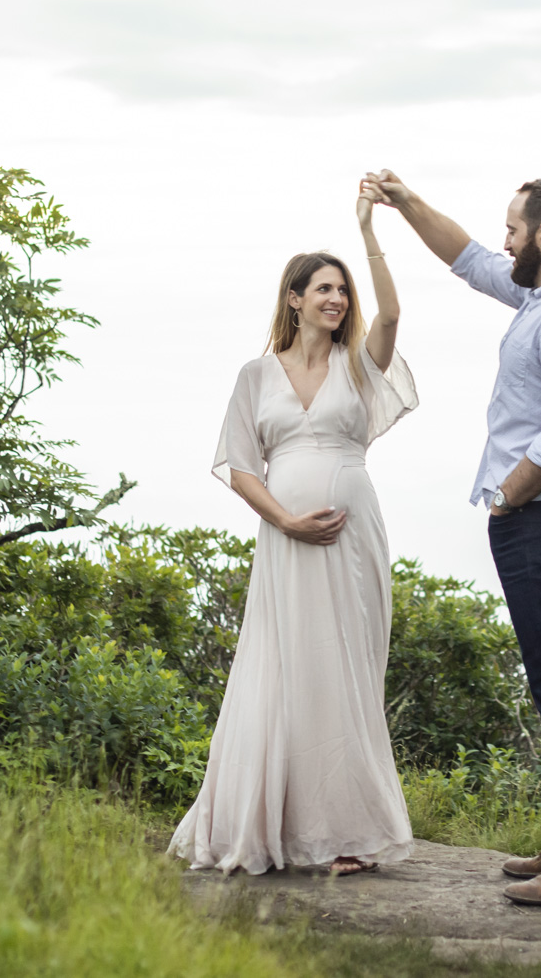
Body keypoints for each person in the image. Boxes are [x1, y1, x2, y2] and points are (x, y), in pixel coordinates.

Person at [365, 169, 541, 906]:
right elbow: (471, 259)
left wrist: (505, 501)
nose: (503, 240)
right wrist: (406, 202)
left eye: (513, 228)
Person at [168, 182, 418, 876]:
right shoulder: (256, 375)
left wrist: (368, 230)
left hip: (350, 537)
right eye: (324, 289)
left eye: (342, 290)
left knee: (345, 670)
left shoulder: (358, 366)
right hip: (285, 541)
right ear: (295, 298)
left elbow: (392, 312)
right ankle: (273, 823)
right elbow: (241, 466)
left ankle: (350, 836)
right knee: (282, 670)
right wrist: (285, 519)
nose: (336, 299)